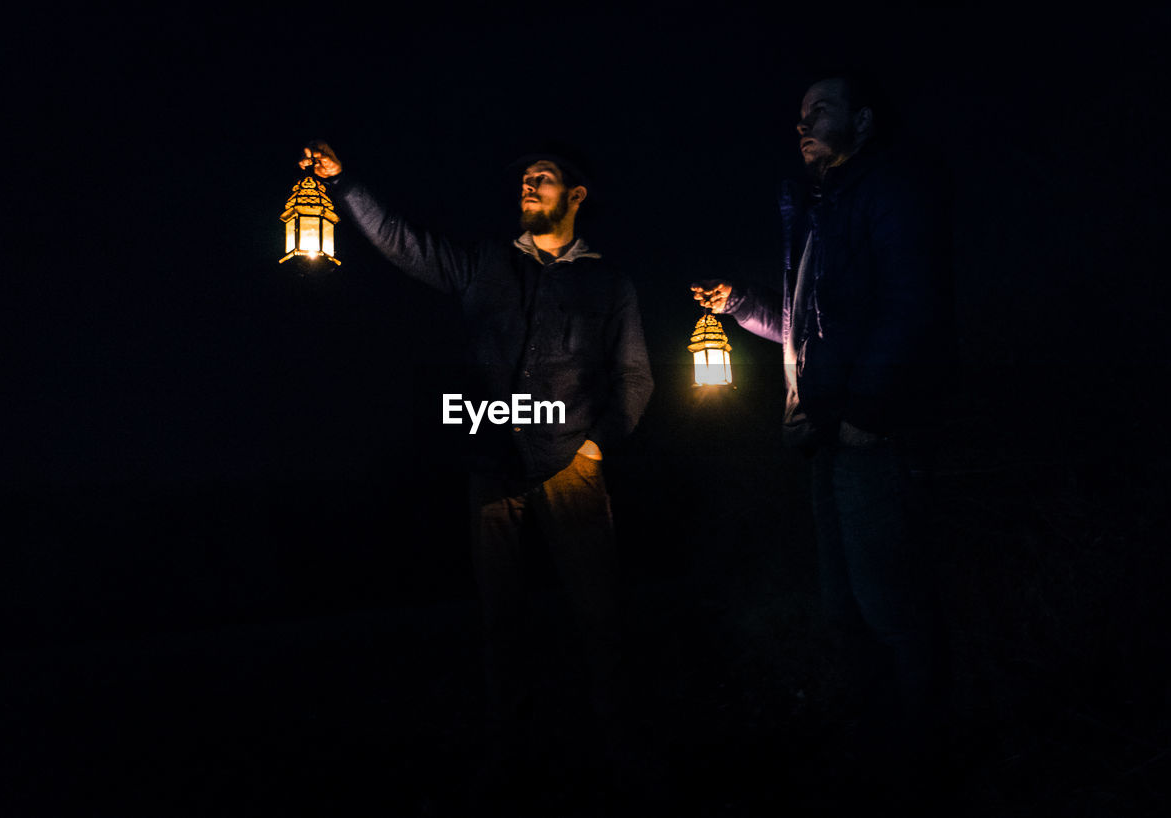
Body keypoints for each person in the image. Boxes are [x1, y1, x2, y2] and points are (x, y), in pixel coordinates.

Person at [299, 141, 654, 808]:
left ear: (575, 196)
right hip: (492, 467)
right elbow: (405, 243)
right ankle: (507, 755)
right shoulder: (485, 264)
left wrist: (597, 448)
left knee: (599, 616)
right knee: (501, 621)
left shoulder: (608, 284)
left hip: (571, 469)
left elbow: (635, 376)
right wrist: (346, 184)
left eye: (543, 179)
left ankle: (622, 751)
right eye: (524, 179)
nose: (529, 186)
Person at [691, 74, 955, 783]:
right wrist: (742, 303)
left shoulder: (886, 196)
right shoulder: (819, 215)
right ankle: (879, 750)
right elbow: (805, 330)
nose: (802, 124)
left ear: (862, 122)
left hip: (863, 435)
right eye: (799, 115)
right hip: (827, 437)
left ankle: (927, 758)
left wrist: (868, 413)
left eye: (820, 111)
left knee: (889, 607)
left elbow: (911, 305)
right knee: (847, 610)